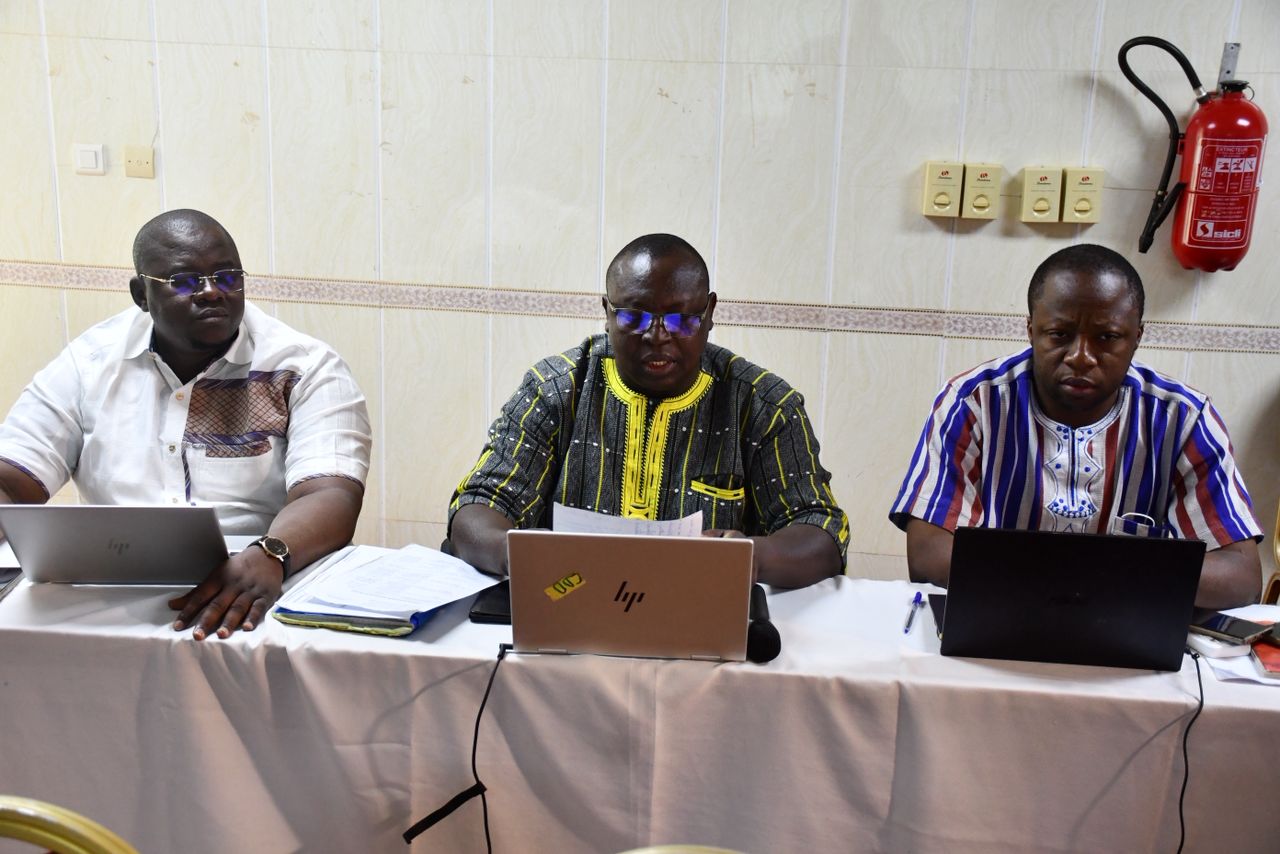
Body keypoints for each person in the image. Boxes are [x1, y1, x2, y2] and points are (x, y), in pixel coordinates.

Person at [0, 209, 372, 638]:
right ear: (141, 295)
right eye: (184, 281)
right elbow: (12, 481)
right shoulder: (89, 364)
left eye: (227, 277)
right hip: (107, 586)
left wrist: (271, 554)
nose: (212, 292)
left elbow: (330, 494)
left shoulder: (303, 367)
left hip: (264, 579)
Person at [449, 233, 848, 587]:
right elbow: (478, 505)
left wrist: (752, 558)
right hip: (568, 606)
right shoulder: (555, 389)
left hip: (707, 621)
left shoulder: (763, 406)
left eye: (680, 320)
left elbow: (821, 531)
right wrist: (517, 554)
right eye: (633, 316)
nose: (657, 336)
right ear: (607, 313)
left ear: (709, 313)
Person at [890, 243, 1262, 609]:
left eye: (1107, 337)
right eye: (1059, 334)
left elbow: (1240, 577)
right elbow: (928, 553)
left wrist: (1082, 579)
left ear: (1137, 337)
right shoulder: (974, 402)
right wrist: (1114, 573)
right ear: (1031, 330)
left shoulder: (1183, 418)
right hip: (999, 622)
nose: (1080, 357)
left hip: (1126, 631)